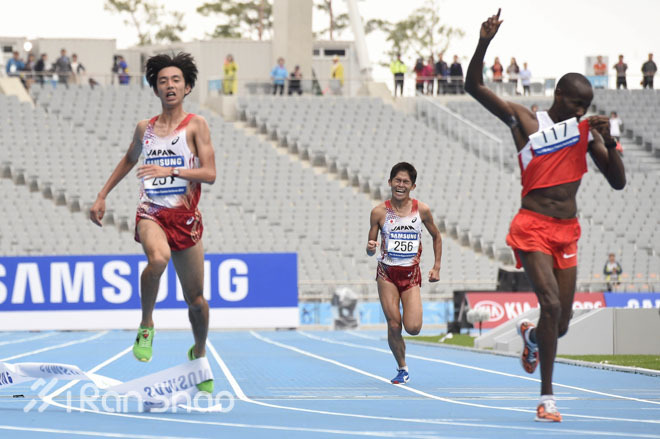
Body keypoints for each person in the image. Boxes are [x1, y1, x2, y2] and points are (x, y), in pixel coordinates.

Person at [465, 9, 626, 422]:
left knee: (562, 322)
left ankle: (533, 337)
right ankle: (547, 398)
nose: (580, 111)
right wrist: (484, 42)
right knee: (550, 304)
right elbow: (474, 86)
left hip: (566, 231)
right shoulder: (525, 120)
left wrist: (610, 141)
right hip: (532, 227)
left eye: (585, 107)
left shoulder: (586, 134)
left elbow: (618, 182)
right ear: (558, 96)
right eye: (575, 104)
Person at [89, 52, 216, 394]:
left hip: (185, 219)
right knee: (157, 259)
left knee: (197, 302)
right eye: (163, 81)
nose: (169, 85)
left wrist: (170, 169)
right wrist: (102, 195)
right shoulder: (144, 128)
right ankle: (146, 324)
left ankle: (199, 354)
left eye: (176, 80)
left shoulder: (196, 125)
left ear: (187, 87)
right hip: (152, 212)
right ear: (156, 89)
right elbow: (129, 159)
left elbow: (209, 174)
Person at [366, 162, 442, 385]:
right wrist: (370, 248)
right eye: (397, 180)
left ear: (413, 186)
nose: (401, 185)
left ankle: (403, 362)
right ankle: (402, 368)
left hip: (410, 276)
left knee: (413, 328)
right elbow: (370, 247)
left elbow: (437, 237)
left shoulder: (422, 210)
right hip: (387, 274)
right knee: (393, 324)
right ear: (390, 182)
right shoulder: (379, 212)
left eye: (405, 182)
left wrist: (436, 266)